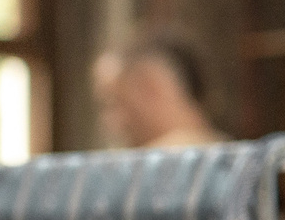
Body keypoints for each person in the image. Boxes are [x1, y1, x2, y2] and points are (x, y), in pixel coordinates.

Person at [92, 28, 223, 150]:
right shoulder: (228, 156)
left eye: (114, 103)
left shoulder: (152, 165)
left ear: (151, 88)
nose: (110, 123)